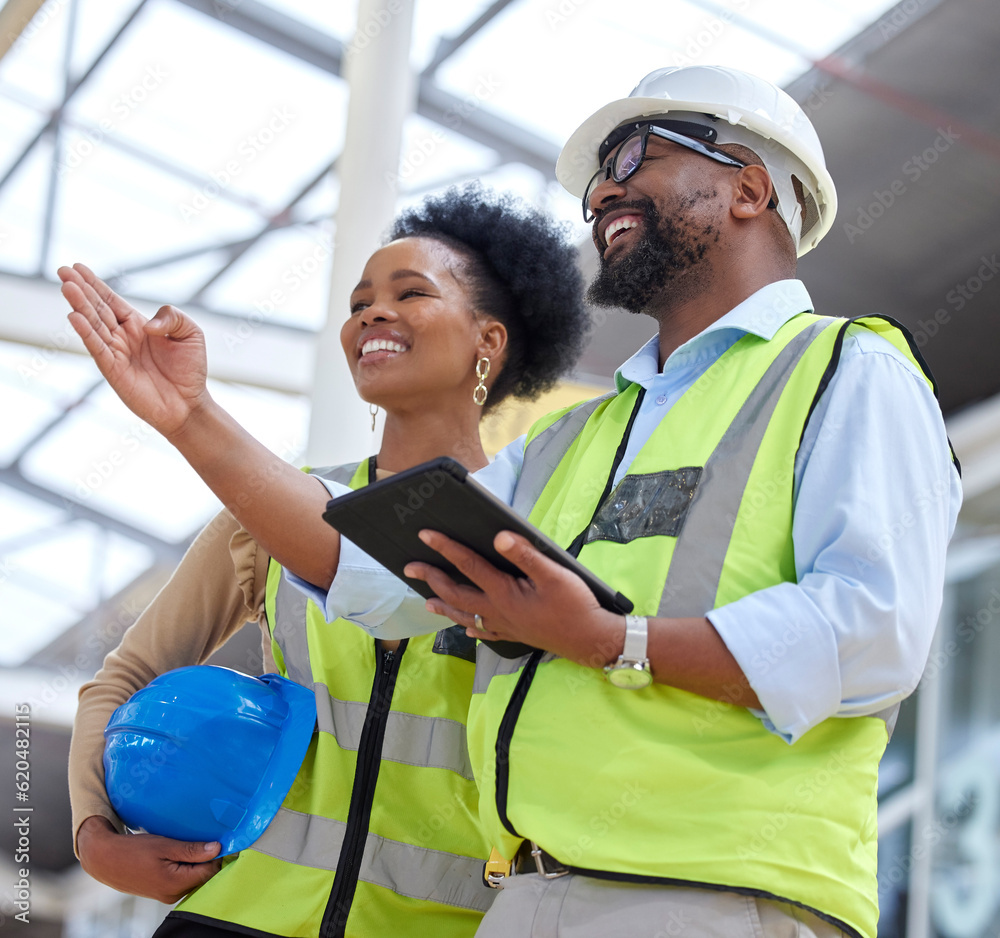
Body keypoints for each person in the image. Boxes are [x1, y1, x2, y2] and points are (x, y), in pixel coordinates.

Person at [332, 67, 961, 937]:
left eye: (633, 155)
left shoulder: (851, 371)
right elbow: (375, 583)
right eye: (597, 179)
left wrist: (605, 640)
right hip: (521, 896)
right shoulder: (568, 439)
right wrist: (190, 419)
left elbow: (872, 632)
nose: (603, 193)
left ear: (750, 186)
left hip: (719, 901)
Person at [63, 184, 589, 938]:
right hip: (239, 916)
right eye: (359, 302)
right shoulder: (268, 515)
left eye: (412, 292)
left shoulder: (547, 532)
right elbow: (124, 676)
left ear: (489, 340)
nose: (372, 313)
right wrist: (94, 835)